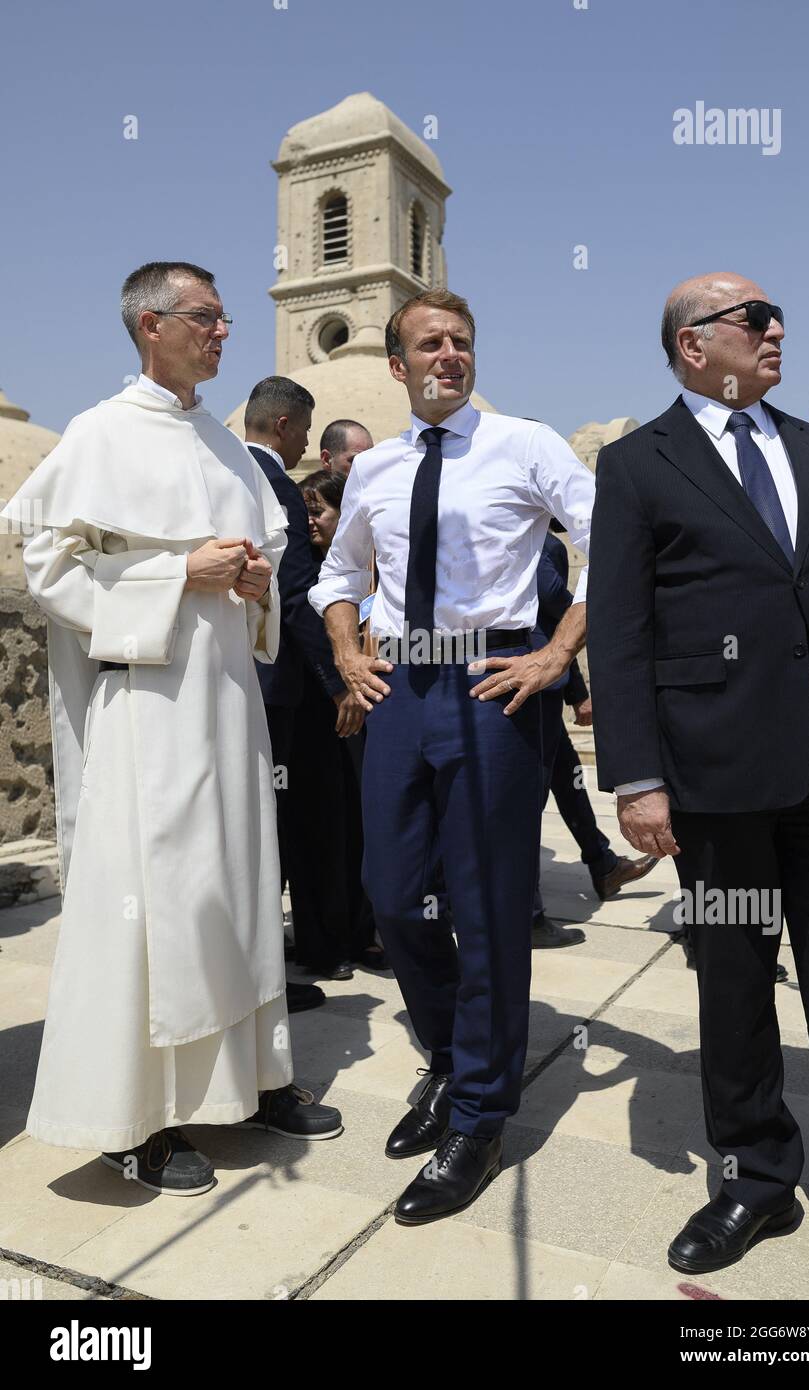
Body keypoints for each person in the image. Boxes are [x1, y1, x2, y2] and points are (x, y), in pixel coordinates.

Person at [0, 262, 342, 1197]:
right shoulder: (100, 435)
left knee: (235, 887)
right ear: (151, 325)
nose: (224, 333)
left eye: (226, 319)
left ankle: (253, 1079)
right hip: (150, 706)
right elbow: (47, 568)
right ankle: (134, 1118)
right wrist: (171, 575)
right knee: (149, 902)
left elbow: (262, 560)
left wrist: (253, 587)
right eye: (207, 318)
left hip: (227, 701)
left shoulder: (226, 448)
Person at [588, 272, 809, 1287]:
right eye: (754, 318)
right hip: (714, 778)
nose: (775, 328)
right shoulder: (635, 464)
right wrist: (636, 779)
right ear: (692, 342)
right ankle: (753, 1180)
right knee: (737, 986)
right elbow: (616, 636)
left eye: (777, 313)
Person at [309, 288, 595, 1223]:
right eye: (429, 345)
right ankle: (446, 1056)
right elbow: (342, 572)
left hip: (489, 687)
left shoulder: (526, 444)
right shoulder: (377, 466)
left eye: (461, 343)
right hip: (401, 688)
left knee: (487, 906)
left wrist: (558, 653)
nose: (448, 356)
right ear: (397, 366)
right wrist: (349, 649)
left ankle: (479, 1110)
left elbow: (609, 545)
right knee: (393, 896)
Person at [244, 378, 365, 989]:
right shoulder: (277, 488)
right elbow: (293, 597)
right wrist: (340, 680)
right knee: (287, 827)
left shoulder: (222, 467)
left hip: (235, 683)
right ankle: (281, 968)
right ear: (287, 426)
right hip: (281, 691)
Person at [531, 522, 657, 948]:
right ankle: (527, 913)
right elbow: (554, 608)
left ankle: (602, 863)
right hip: (534, 683)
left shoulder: (540, 540)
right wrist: (597, 604)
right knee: (526, 798)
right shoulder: (540, 542)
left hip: (544, 683)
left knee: (568, 780)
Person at [297, 468, 387, 975]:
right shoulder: (305, 570)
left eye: (320, 511)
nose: (311, 521)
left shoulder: (364, 574)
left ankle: (363, 931)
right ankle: (330, 940)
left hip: (363, 709)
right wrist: (340, 688)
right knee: (327, 832)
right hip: (325, 716)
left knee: (362, 827)